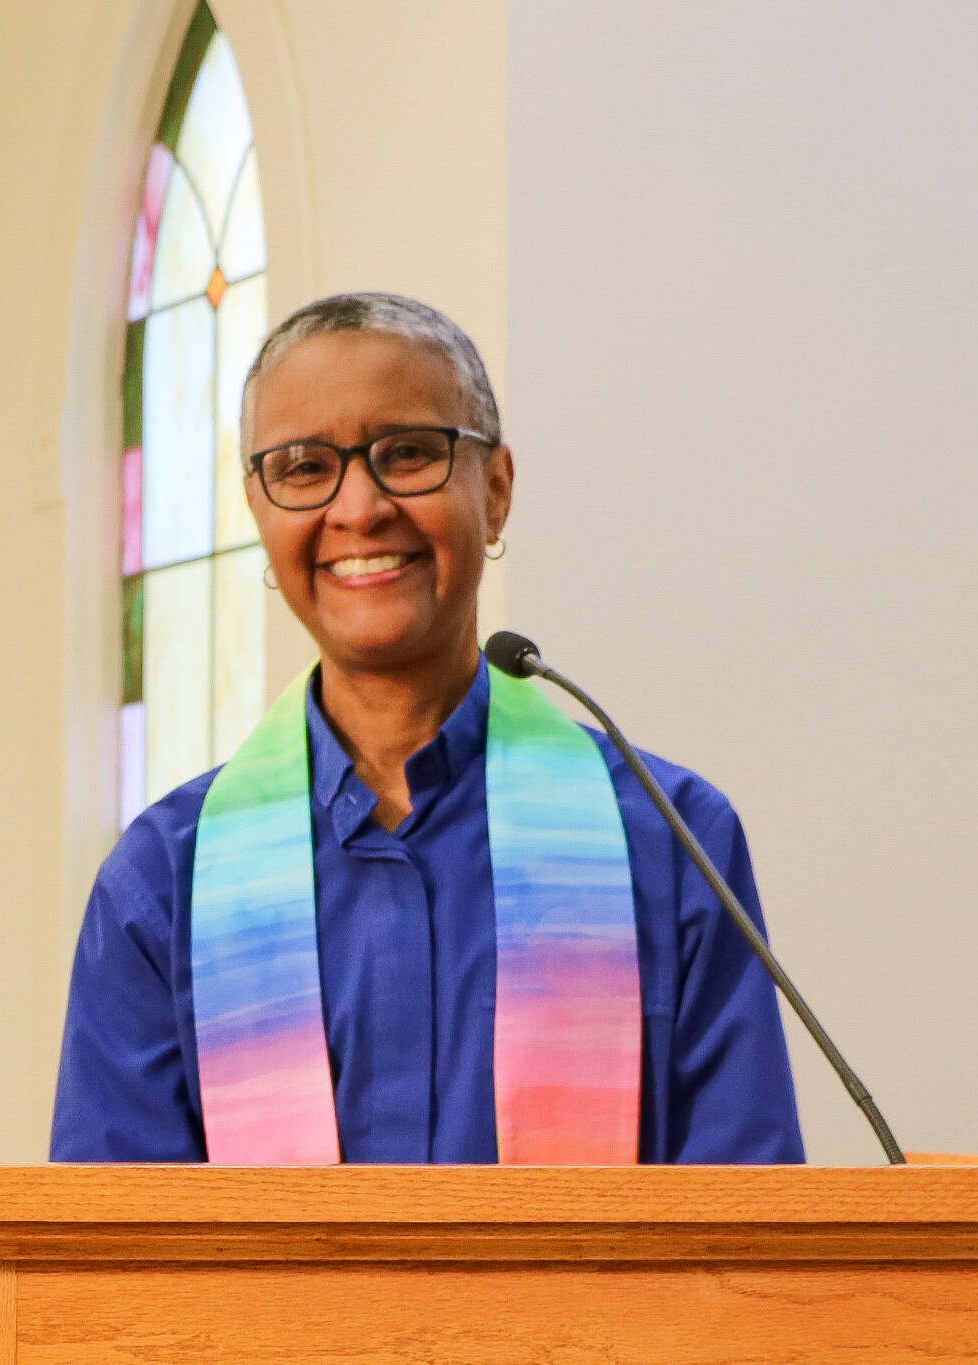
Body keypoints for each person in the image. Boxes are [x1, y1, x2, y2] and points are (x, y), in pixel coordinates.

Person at [51, 292, 802, 1164]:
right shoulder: (163, 887)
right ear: (259, 509)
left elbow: (749, 1248)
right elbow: (113, 1270)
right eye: (303, 467)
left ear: (497, 486)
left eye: (407, 453)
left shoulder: (673, 847)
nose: (359, 507)